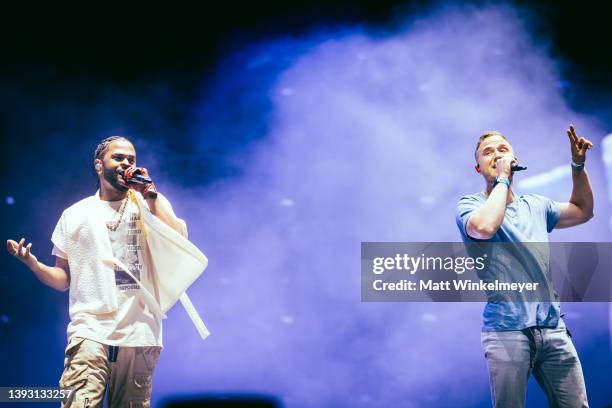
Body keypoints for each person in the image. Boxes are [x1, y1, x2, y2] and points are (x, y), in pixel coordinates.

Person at [6, 136, 206, 407]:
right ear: (99, 166)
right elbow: (62, 278)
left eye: (131, 159)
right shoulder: (75, 215)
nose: (126, 163)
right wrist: (32, 263)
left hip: (139, 331)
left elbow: (179, 240)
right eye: (118, 158)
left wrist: (151, 195)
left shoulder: (149, 203)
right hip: (91, 330)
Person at [455, 125, 593, 407]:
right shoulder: (469, 205)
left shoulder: (536, 206)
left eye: (503, 150)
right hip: (507, 331)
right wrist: (503, 180)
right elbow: (484, 228)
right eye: (488, 152)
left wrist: (577, 166)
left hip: (552, 328)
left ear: (515, 158)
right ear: (478, 168)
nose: (497, 155)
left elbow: (583, 211)